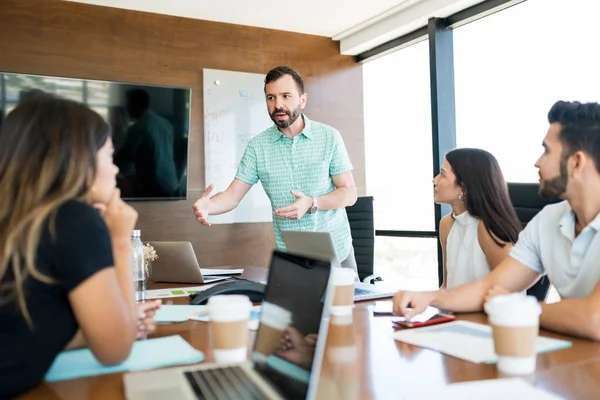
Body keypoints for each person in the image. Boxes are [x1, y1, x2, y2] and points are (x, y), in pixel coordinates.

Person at [392, 100, 600, 341]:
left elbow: (594, 319)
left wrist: (519, 309)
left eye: (547, 151)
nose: (537, 162)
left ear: (576, 162)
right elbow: (488, 288)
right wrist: (429, 298)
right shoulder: (549, 221)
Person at [0, 94, 160, 398]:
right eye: (110, 156)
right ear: (77, 158)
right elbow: (115, 350)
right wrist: (119, 239)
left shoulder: (19, 218)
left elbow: (22, 327)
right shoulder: (74, 220)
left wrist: (110, 321)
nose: (115, 171)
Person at [193, 66, 358, 273]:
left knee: (347, 307)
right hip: (291, 256)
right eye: (271, 98)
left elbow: (349, 193)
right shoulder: (258, 146)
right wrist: (208, 207)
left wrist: (312, 203)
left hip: (337, 250)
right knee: (293, 307)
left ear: (302, 100)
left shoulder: (329, 137)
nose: (278, 104)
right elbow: (232, 195)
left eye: (286, 96)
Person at [434, 148, 521, 288]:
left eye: (442, 175)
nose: (435, 180)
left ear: (464, 187)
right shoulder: (447, 224)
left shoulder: (489, 228)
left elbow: (508, 293)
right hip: (455, 308)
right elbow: (446, 286)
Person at [116, 88, 179, 198]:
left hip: (153, 189)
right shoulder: (165, 124)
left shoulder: (138, 127)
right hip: (172, 185)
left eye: (128, 104)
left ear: (136, 104)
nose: (127, 109)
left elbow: (124, 157)